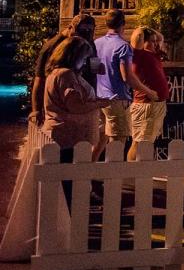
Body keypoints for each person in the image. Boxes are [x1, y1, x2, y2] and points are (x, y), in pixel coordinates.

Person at [41, 36, 112, 170]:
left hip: (63, 135)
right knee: (72, 181)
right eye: (84, 58)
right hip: (68, 138)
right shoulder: (66, 75)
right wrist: (99, 104)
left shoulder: (55, 73)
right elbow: (75, 106)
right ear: (75, 56)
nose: (85, 63)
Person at [95, 10, 157, 155]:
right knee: (117, 142)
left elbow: (94, 70)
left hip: (98, 98)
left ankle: (89, 172)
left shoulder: (96, 43)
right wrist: (148, 91)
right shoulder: (123, 46)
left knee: (100, 139)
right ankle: (111, 176)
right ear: (123, 24)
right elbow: (127, 77)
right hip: (116, 99)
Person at [30, 13, 96, 129]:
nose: (86, 34)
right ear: (70, 28)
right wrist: (36, 111)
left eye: (89, 31)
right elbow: (39, 79)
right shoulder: (51, 47)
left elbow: (94, 67)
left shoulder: (87, 41)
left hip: (82, 104)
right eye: (82, 31)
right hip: (60, 105)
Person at [128, 27, 169, 161]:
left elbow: (161, 37)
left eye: (155, 41)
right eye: (151, 41)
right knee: (140, 142)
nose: (156, 44)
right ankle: (131, 176)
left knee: (147, 141)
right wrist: (142, 28)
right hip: (146, 104)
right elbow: (137, 37)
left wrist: (152, 33)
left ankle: (139, 174)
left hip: (156, 105)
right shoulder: (138, 55)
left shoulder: (154, 54)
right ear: (143, 42)